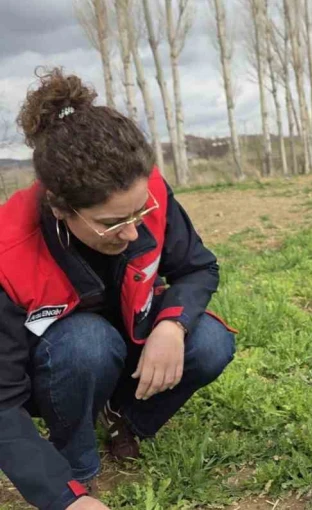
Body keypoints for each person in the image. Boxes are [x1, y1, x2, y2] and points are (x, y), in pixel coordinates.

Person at [0, 68, 236, 510]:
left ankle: (124, 421)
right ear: (59, 207)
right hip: (58, 366)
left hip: (132, 337)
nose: (133, 233)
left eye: (140, 212)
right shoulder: (7, 254)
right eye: (112, 223)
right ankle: (75, 466)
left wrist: (172, 326)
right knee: (85, 341)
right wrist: (62, 501)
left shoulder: (146, 194)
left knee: (210, 342)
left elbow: (197, 268)